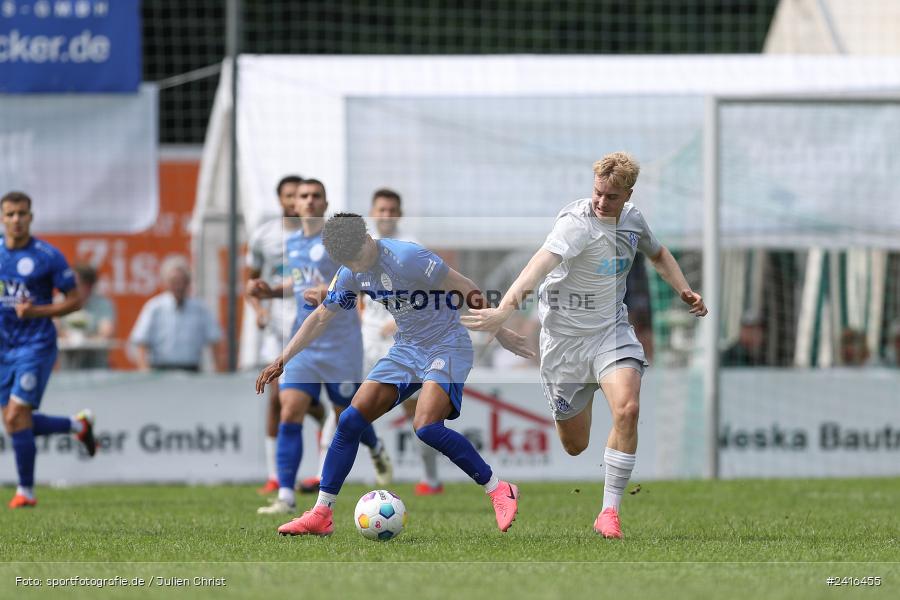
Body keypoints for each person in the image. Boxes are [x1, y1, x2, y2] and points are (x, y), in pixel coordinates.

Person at [461, 152, 707, 539]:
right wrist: (505, 310)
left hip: (610, 333)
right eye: (597, 192)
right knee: (575, 445)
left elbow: (658, 254)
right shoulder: (576, 223)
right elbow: (537, 266)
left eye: (611, 196)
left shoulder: (632, 222)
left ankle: (609, 512)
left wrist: (684, 290)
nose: (601, 202)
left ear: (628, 194)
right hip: (564, 346)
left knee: (628, 409)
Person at [255, 213, 533, 536]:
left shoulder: (408, 257)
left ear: (366, 238)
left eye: (358, 257)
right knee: (349, 421)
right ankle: (321, 513)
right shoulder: (350, 272)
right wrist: (283, 358)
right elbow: (320, 317)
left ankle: (499, 489)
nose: (357, 267)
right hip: (406, 350)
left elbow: (464, 286)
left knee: (426, 426)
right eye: (349, 262)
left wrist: (498, 330)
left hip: (447, 345)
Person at [248, 180, 392, 515]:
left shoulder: (337, 243)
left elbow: (358, 278)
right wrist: (270, 291)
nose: (310, 201)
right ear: (293, 206)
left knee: (348, 415)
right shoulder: (293, 244)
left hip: (341, 344)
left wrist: (328, 291)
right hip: (305, 343)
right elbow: (299, 284)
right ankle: (285, 495)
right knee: (290, 410)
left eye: (316, 196)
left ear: (326, 204)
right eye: (303, 197)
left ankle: (375, 445)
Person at [302, 188, 444, 496]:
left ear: (399, 213)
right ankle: (320, 473)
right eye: (382, 209)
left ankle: (431, 479)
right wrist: (326, 293)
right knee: (343, 402)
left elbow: (434, 288)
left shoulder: (410, 246)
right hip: (367, 336)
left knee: (416, 411)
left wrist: (404, 316)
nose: (387, 215)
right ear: (373, 212)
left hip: (406, 338)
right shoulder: (360, 248)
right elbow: (351, 278)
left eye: (392, 209)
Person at [1, 191, 97, 509]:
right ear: (3, 218)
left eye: (22, 214)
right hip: (3, 347)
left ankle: (26, 492)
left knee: (16, 415)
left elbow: (74, 300)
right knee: (15, 422)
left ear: (31, 217)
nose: (17, 219)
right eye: (11, 214)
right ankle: (77, 425)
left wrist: (36, 311)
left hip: (35, 345)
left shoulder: (47, 256)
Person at [245, 174, 324, 495]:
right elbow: (251, 283)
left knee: (292, 398)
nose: (296, 201)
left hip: (308, 326)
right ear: (280, 200)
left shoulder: (317, 240)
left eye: (300, 196)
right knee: (278, 398)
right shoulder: (263, 236)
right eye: (290, 196)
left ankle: (286, 478)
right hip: (276, 329)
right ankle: (276, 476)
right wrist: (259, 309)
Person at [128, 255, 223, 372]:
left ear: (188, 283)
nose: (178, 286)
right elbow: (141, 341)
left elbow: (214, 340)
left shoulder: (200, 309)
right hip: (160, 371)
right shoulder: (155, 307)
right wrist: (144, 371)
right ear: (166, 283)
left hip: (191, 372)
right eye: (174, 282)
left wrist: (219, 372)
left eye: (182, 281)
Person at [57, 263, 116, 368]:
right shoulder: (59, 302)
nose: (70, 287)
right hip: (68, 369)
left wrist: (83, 338)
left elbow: (106, 332)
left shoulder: (103, 304)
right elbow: (54, 329)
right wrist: (69, 337)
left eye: (75, 283)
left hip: (97, 368)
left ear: (88, 286)